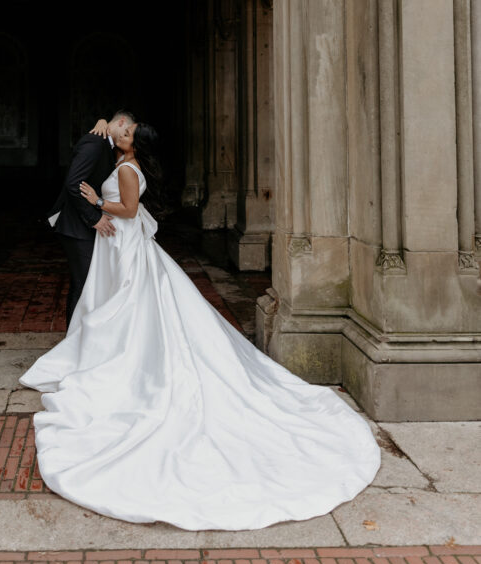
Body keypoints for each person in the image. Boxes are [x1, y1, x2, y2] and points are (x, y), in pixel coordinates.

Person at [21, 121, 380, 531]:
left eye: (127, 129)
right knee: (117, 305)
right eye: (122, 125)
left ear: (133, 144)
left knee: (128, 307)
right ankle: (112, 353)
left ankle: (122, 362)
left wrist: (96, 203)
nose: (121, 129)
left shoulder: (124, 169)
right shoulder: (117, 159)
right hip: (121, 244)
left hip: (123, 240)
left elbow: (131, 210)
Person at [48, 109, 136, 326]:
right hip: (77, 226)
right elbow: (73, 184)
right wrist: (94, 219)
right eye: (126, 132)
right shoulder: (95, 143)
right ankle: (73, 341)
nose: (126, 137)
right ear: (122, 122)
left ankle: (83, 339)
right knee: (84, 285)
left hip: (86, 225)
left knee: (89, 285)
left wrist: (103, 120)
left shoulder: (108, 144)